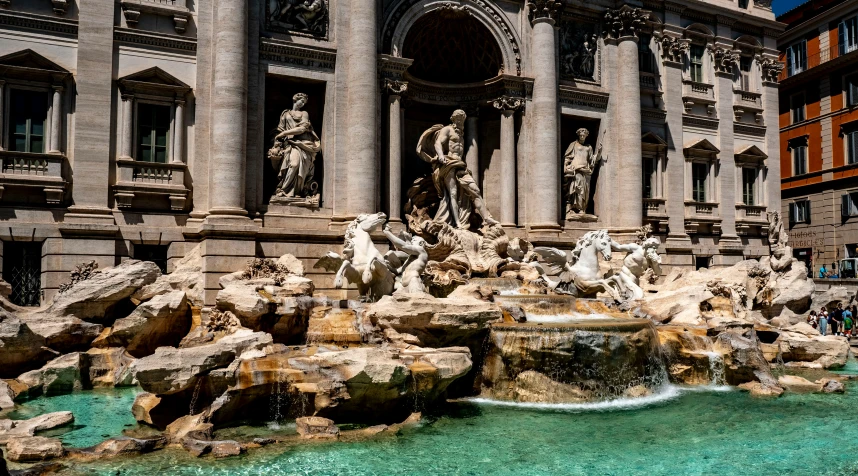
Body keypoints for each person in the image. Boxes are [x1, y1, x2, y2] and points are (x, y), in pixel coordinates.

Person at [416, 109, 498, 229]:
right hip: (449, 162)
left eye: (462, 119)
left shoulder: (461, 134)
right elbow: (438, 143)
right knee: (453, 193)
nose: (460, 121)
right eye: (458, 119)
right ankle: (457, 223)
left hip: (460, 164)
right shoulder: (447, 129)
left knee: (475, 190)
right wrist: (441, 156)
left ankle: (486, 217)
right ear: (453, 119)